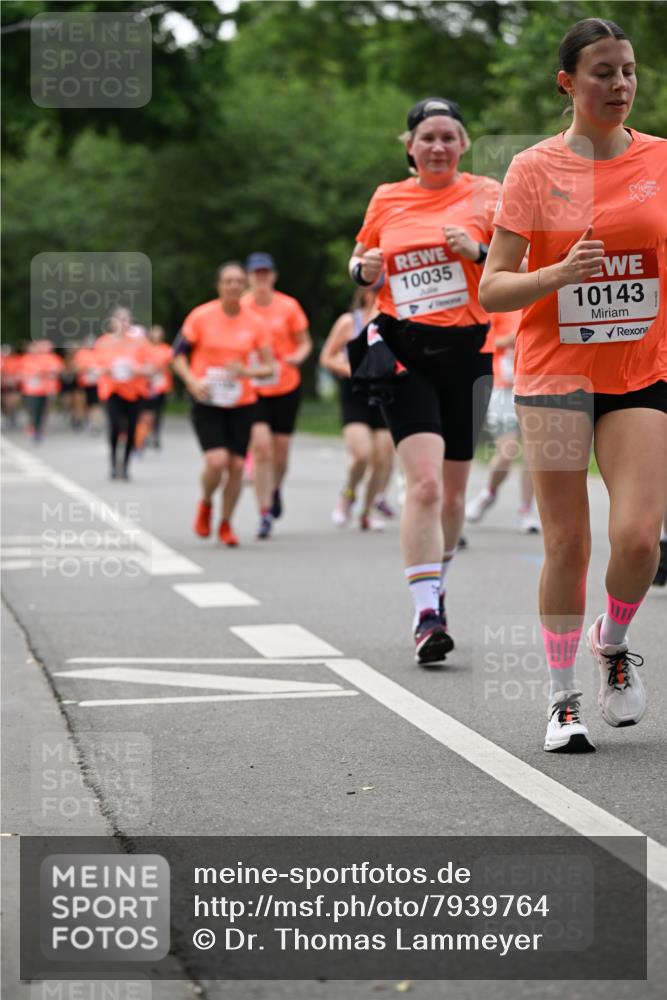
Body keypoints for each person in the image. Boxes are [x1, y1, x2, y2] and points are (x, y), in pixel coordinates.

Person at [479, 18, 667, 752]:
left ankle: (611, 644)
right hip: (554, 375)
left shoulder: (660, 159)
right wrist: (556, 275)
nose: (618, 85)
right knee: (567, 544)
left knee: (637, 540)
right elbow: (492, 289)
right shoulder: (530, 170)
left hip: (637, 373)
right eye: (601, 72)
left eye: (626, 71)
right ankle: (561, 701)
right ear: (567, 82)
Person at [349, 97, 500, 664]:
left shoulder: (488, 193)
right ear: (410, 147)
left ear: (463, 145)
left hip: (467, 352)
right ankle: (426, 613)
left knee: (455, 495)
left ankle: (436, 583)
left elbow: (521, 262)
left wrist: (479, 251)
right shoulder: (387, 197)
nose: (437, 146)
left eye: (448, 136)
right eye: (427, 137)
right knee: (427, 486)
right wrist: (362, 270)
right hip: (403, 349)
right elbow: (361, 259)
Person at [172, 262, 274, 546]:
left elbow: (269, 368)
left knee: (238, 466)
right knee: (217, 461)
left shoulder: (255, 323)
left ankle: (226, 523)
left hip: (242, 401)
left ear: (245, 286)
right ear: (219, 285)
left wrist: (245, 373)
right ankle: (205, 504)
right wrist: (192, 381)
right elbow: (177, 355)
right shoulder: (201, 316)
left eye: (239, 281)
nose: (233, 286)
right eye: (228, 281)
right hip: (207, 398)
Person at [242, 252, 312, 539]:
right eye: (256, 273)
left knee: (281, 454)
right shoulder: (241, 307)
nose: (261, 278)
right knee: (261, 449)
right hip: (253, 387)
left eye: (265, 273)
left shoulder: (288, 306)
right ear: (248, 276)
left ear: (273, 276)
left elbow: (305, 343)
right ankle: (264, 512)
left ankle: (274, 488)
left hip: (285, 384)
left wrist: (298, 356)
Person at [320, 285, 395, 531]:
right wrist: (352, 369)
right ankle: (348, 494)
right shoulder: (349, 322)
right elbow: (327, 357)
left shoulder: (396, 320)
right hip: (355, 393)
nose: (381, 295)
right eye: (376, 290)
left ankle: (366, 511)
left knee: (383, 457)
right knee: (362, 454)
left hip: (384, 392)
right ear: (366, 293)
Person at [465, 309, 541, 534]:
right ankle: (489, 492)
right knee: (507, 451)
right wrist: (510, 340)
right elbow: (483, 342)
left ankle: (526, 511)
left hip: (536, 385)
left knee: (532, 453)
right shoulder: (502, 302)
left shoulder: (541, 298)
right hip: (503, 388)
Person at [96, 308, 153, 479]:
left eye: (126, 319)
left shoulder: (140, 342)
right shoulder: (103, 342)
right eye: (119, 319)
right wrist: (108, 369)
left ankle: (125, 466)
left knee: (131, 428)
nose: (123, 323)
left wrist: (137, 369)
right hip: (113, 390)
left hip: (135, 391)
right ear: (112, 322)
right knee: (114, 426)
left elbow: (152, 368)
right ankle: (113, 463)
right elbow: (96, 368)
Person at [19, 340, 64, 442]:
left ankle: (39, 428)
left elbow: (56, 370)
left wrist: (45, 373)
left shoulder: (48, 358)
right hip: (30, 390)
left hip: (46, 389)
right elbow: (21, 373)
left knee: (43, 409)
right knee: (32, 409)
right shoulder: (25, 359)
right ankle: (34, 426)